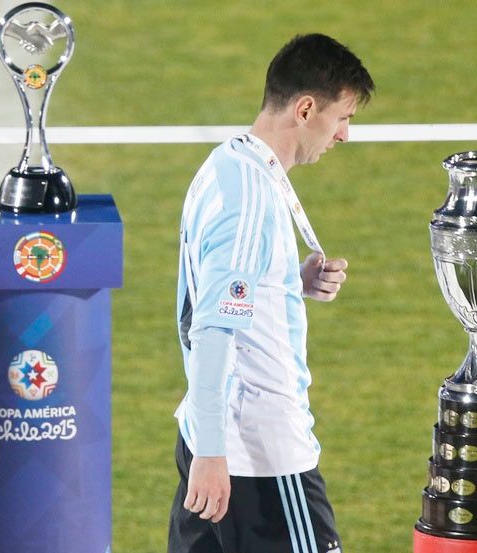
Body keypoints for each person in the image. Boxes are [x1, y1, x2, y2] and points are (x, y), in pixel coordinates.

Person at [169, 33, 374, 553]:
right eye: (343, 116)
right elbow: (212, 326)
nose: (345, 134)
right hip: (257, 454)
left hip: (211, 434)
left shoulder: (226, 166)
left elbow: (213, 287)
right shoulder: (250, 198)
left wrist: (287, 281)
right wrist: (215, 456)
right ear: (306, 109)